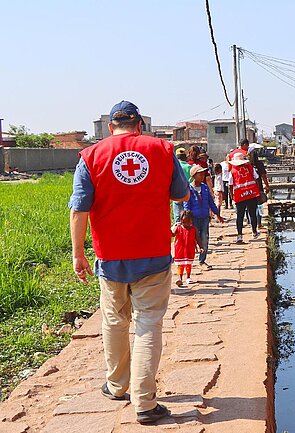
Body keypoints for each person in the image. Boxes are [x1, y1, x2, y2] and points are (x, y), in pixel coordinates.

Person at [69, 100, 189, 424]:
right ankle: (145, 403)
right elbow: (181, 195)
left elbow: (79, 209)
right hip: (153, 256)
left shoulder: (91, 157)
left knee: (114, 320)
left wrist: (78, 254)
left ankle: (117, 384)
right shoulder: (162, 150)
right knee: (149, 323)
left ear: (111, 127)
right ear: (140, 126)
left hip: (111, 258)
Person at [184, 165, 224, 269]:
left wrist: (217, 214)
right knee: (193, 240)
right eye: (200, 174)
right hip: (194, 219)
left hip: (205, 218)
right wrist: (187, 218)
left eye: (203, 174)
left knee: (204, 239)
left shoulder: (205, 188)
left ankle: (202, 261)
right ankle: (188, 260)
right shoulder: (189, 189)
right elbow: (186, 204)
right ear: (193, 175)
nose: (202, 176)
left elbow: (211, 202)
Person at [228, 152, 261, 243]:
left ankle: (239, 236)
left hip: (239, 195)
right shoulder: (250, 168)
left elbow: (230, 185)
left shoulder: (233, 171)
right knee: (252, 214)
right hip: (251, 193)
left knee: (240, 216)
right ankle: (254, 232)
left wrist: (232, 196)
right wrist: (257, 191)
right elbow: (256, 178)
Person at [172, 210, 203, 287]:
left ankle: (188, 277)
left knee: (188, 264)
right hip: (179, 249)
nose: (186, 224)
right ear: (181, 221)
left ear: (191, 221)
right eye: (184, 222)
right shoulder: (178, 228)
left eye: (188, 222)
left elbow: (197, 238)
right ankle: (180, 278)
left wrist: (201, 247)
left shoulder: (193, 229)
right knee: (180, 264)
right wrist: (171, 228)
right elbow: (172, 235)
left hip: (190, 249)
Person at [173, 148, 192, 222]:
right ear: (185, 157)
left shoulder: (173, 167)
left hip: (176, 194)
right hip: (187, 194)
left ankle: (178, 230)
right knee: (187, 214)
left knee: (177, 216)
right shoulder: (189, 167)